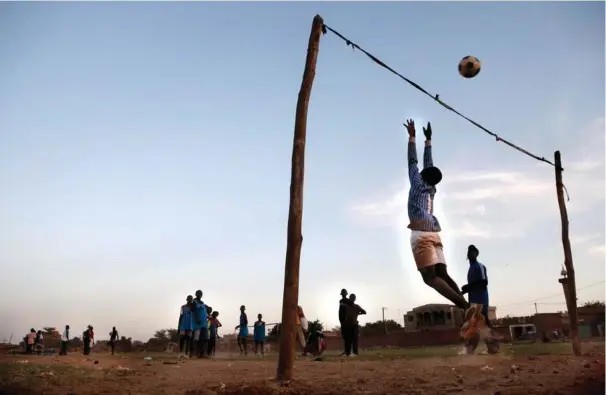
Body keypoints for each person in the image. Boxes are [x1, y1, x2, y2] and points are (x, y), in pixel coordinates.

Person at [405, 119, 473, 321]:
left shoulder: (417, 183)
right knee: (442, 273)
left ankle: (465, 307)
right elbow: (428, 166)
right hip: (435, 232)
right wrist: (428, 141)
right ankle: (468, 309)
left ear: (423, 175)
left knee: (430, 278)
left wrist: (412, 137)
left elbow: (413, 162)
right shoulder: (431, 188)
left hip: (421, 234)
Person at [462, 245, 500, 354]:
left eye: (473, 251)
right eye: (469, 252)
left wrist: (468, 287)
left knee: (482, 323)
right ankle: (487, 347)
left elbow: (484, 282)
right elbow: (473, 286)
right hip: (473, 300)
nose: (470, 253)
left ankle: (490, 345)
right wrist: (465, 291)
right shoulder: (470, 269)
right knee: (475, 324)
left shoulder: (479, 266)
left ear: (476, 254)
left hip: (481, 300)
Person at [192, 290, 209, 358]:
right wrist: (196, 319)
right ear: (196, 294)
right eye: (198, 293)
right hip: (197, 323)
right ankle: (194, 354)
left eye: (201, 293)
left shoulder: (202, 302)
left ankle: (203, 353)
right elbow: (194, 311)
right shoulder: (194, 301)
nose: (200, 294)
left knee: (205, 339)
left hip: (204, 323)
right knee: (196, 339)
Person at [338, 289, 352, 356]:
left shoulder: (348, 301)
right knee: (344, 336)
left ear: (346, 294)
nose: (343, 294)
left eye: (344, 293)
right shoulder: (340, 301)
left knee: (348, 336)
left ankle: (348, 352)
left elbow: (350, 309)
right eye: (342, 293)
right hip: (342, 320)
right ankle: (346, 351)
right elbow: (340, 311)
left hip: (347, 321)